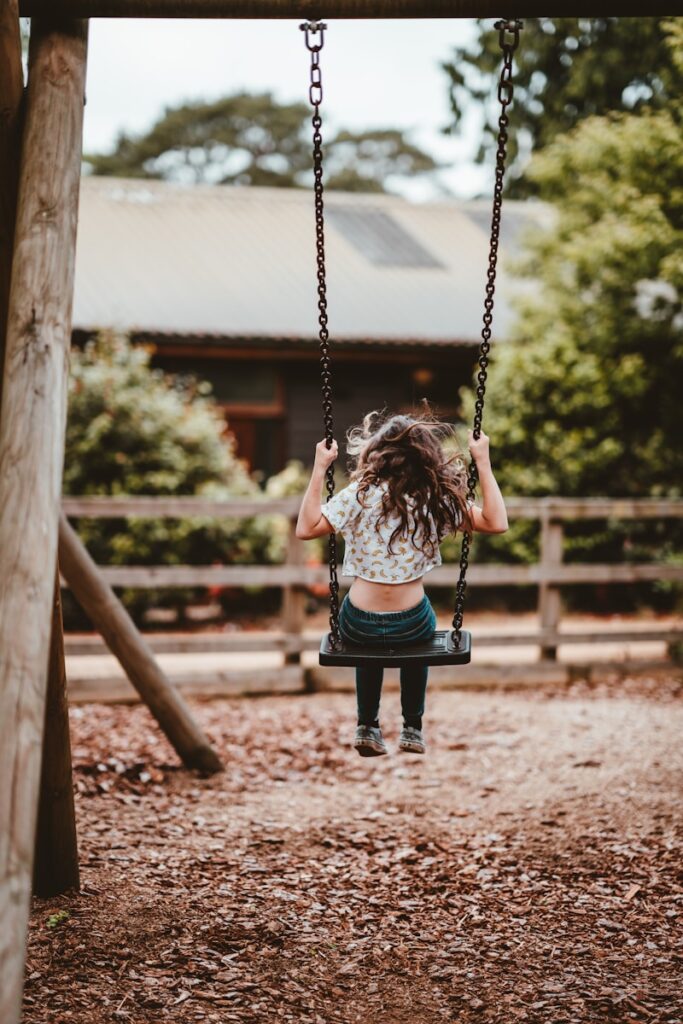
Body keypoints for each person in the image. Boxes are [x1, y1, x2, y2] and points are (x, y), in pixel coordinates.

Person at [295, 409, 508, 757]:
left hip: (358, 621)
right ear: (428, 457)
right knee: (418, 643)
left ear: (378, 454)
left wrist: (320, 467)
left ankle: (367, 724)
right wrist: (482, 460)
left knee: (366, 650)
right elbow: (496, 522)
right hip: (412, 623)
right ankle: (412, 726)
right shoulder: (434, 499)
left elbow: (306, 529)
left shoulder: (359, 495)